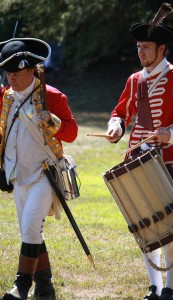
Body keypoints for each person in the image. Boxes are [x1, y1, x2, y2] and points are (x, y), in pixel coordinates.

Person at [105, 5, 173, 300]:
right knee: (143, 225)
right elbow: (120, 112)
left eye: (146, 47)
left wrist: (171, 134)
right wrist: (116, 127)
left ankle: (170, 289)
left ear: (162, 49)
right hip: (137, 160)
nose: (141, 52)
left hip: (168, 162)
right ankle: (153, 287)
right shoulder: (135, 80)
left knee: (171, 226)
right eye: (138, 47)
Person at [0, 38, 78, 300]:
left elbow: (72, 132)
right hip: (18, 174)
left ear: (31, 70)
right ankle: (45, 285)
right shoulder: (5, 97)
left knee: (32, 225)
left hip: (46, 171)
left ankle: (21, 286)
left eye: (17, 74)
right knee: (30, 231)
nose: (12, 79)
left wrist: (53, 121)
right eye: (8, 74)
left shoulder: (52, 96)